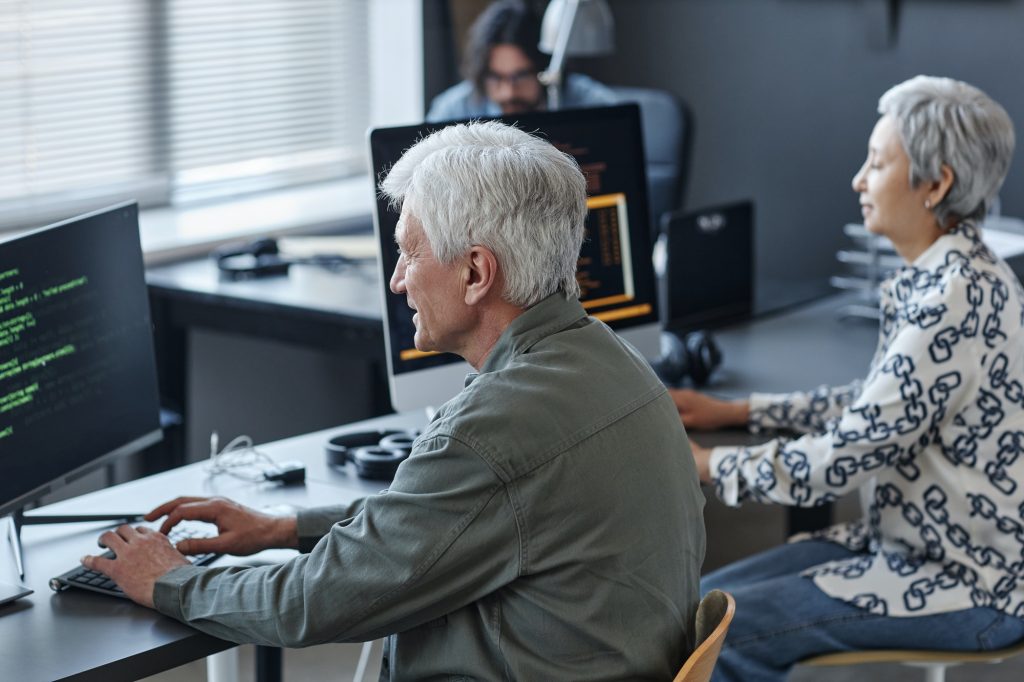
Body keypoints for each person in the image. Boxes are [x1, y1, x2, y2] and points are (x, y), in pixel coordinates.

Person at [82, 121, 707, 680]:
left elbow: (314, 604)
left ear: (475, 273)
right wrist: (284, 527)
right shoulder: (608, 358)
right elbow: (462, 511)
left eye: (409, 249)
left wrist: (173, 583)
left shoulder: (495, 430)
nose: (397, 278)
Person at [674, 75, 1024, 681]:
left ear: (935, 183)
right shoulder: (956, 273)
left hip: (970, 581)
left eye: (877, 164)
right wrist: (737, 413)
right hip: (908, 544)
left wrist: (703, 464)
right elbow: (873, 404)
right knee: (694, 609)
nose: (859, 180)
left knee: (718, 636)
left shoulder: (954, 298)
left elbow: (842, 458)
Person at [426, 0, 617, 121]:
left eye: (521, 76)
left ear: (545, 69)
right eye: (495, 77)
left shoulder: (593, 105)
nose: (508, 92)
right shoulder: (453, 111)